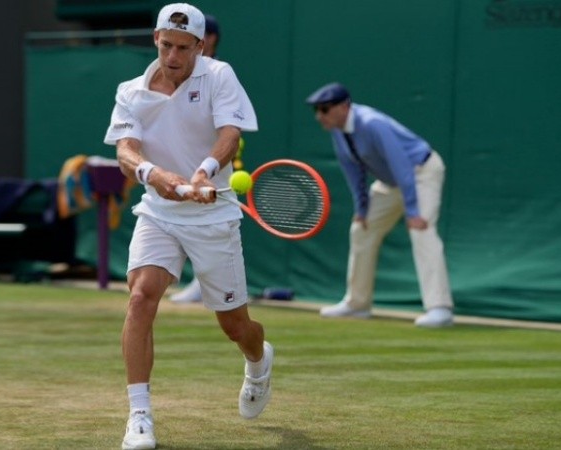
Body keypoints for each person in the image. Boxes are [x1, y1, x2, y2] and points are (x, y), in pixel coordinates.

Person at [103, 4, 273, 449]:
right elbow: (126, 150)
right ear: (155, 39)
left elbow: (231, 133)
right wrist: (153, 175)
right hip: (160, 213)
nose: (173, 55)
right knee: (141, 297)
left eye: (183, 47)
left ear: (200, 46)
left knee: (236, 327)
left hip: (213, 214)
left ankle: (258, 361)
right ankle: (139, 416)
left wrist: (203, 171)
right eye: (166, 45)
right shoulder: (131, 91)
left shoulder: (219, 75)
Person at [306, 82, 454, 328]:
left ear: (344, 106)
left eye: (324, 109)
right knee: (361, 230)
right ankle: (357, 304)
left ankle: (440, 308)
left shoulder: (372, 123)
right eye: (317, 111)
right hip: (390, 182)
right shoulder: (337, 130)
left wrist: (413, 210)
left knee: (421, 230)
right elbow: (353, 171)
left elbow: (402, 164)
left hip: (420, 173)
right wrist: (361, 210)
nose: (320, 116)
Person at [170, 13, 221, 304]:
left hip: (211, 155)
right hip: (188, 153)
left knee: (209, 220)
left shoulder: (218, 73)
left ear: (207, 40)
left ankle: (206, 284)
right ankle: (200, 281)